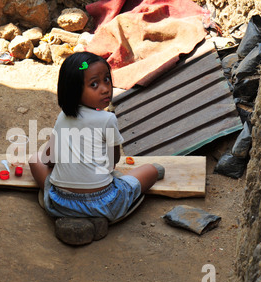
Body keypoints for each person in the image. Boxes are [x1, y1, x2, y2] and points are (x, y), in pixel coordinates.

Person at [29, 51, 163, 237]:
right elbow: (111, 163)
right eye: (94, 84)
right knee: (150, 170)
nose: (105, 88)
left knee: (35, 160)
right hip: (105, 203)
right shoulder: (108, 119)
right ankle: (98, 219)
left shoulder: (62, 117)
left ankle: (72, 220)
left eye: (106, 80)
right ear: (74, 90)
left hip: (62, 203)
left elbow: (48, 159)